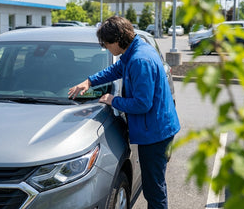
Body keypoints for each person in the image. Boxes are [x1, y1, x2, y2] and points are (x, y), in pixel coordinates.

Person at [68, 16, 180, 209]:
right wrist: (90, 81)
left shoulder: (140, 60)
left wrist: (113, 100)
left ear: (118, 40)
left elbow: (142, 104)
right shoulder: (134, 51)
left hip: (155, 135)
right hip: (156, 128)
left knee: (154, 190)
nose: (105, 48)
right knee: (155, 186)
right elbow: (116, 69)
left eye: (106, 44)